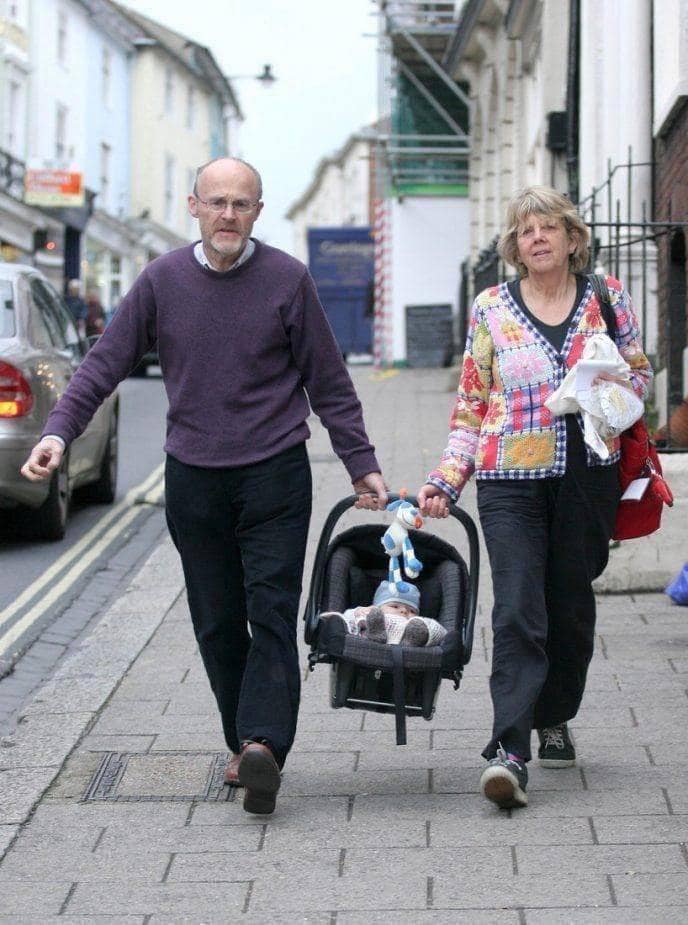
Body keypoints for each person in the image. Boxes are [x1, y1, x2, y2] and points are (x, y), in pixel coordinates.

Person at [20, 157, 387, 817]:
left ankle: (263, 745)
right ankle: (243, 741)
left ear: (257, 212)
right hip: (194, 477)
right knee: (217, 621)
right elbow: (104, 362)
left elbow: (328, 379)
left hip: (275, 472)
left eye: (241, 204)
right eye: (216, 201)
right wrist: (58, 433)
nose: (228, 214)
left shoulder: (287, 279)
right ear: (194, 206)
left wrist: (361, 463)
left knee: (270, 612)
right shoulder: (161, 280)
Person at [417, 186, 652, 810]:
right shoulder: (492, 307)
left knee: (569, 608)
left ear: (573, 239)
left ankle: (555, 713)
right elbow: (472, 402)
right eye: (526, 231)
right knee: (518, 608)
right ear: (515, 247)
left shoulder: (608, 297)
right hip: (508, 482)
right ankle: (509, 751)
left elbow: (641, 375)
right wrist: (447, 478)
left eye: (549, 227)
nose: (538, 238)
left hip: (587, 475)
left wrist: (608, 388)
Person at [321, 580, 448, 646]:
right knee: (371, 620)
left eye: (412, 611)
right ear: (378, 607)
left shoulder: (414, 622)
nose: (404, 611)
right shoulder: (373, 613)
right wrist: (357, 612)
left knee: (422, 629)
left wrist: (423, 629)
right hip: (370, 639)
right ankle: (376, 634)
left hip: (408, 644)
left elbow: (438, 631)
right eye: (395, 606)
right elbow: (347, 621)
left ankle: (409, 644)